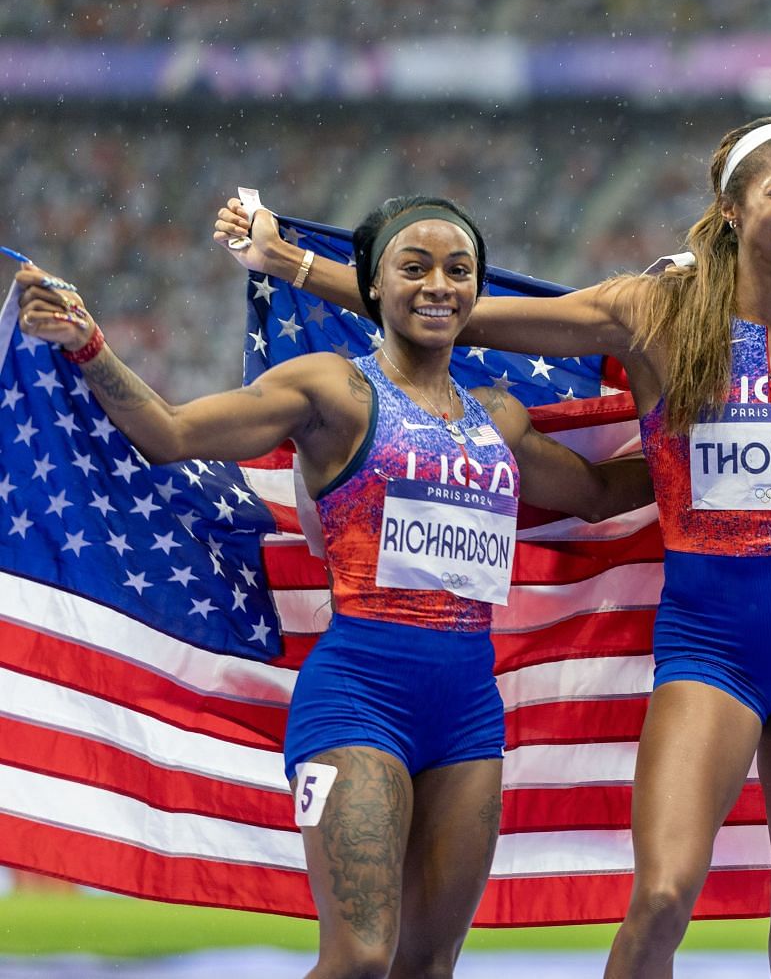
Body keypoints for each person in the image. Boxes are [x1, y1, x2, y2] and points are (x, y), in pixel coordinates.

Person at [214, 115, 771, 979]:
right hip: (714, 642)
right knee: (661, 899)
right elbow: (461, 317)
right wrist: (294, 268)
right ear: (731, 209)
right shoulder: (655, 311)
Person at [17, 196, 652, 979]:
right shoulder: (333, 392)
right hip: (358, 699)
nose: (438, 286)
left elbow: (594, 494)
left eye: (459, 271)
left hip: (468, 716)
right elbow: (171, 433)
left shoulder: (501, 418)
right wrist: (89, 346)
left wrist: (701, 431)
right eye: (413, 268)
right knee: (356, 959)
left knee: (429, 965)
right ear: (373, 286)